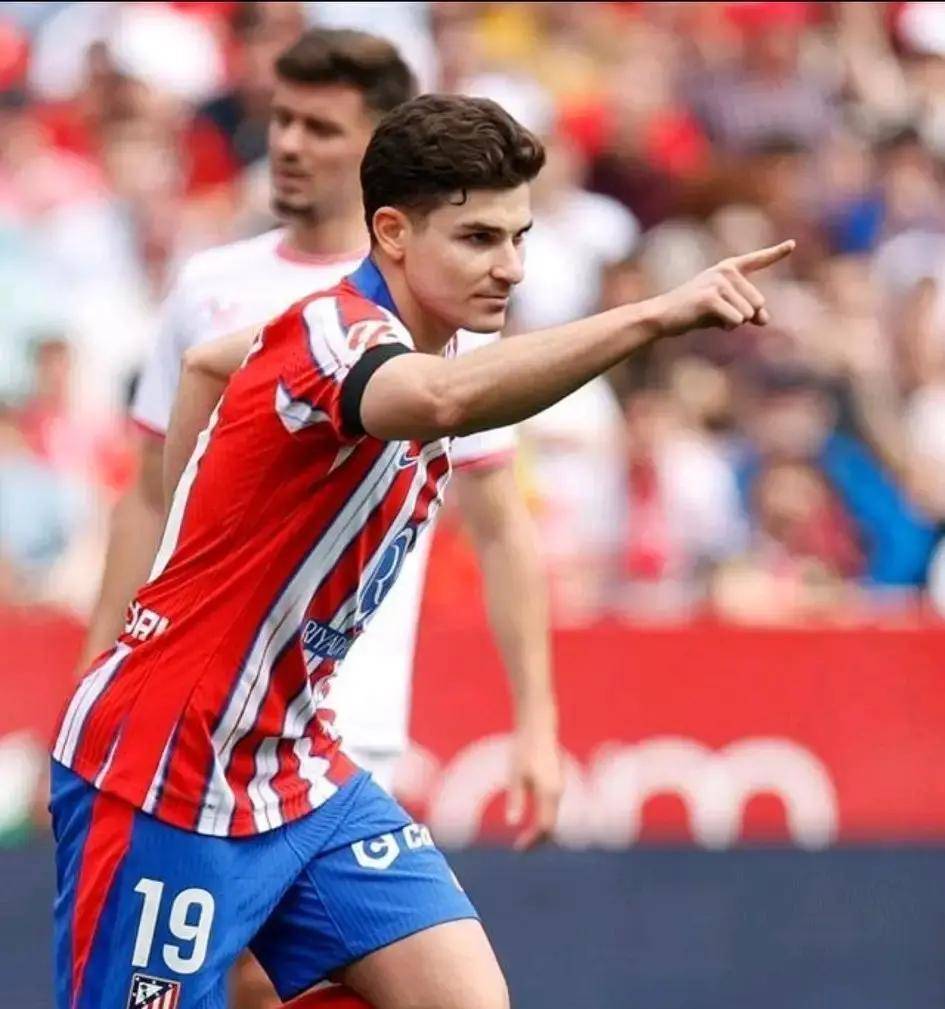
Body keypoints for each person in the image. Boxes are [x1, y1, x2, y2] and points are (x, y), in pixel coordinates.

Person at [51, 92, 793, 1009]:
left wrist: (205, 532)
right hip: (166, 759)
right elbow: (441, 402)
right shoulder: (339, 337)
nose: (510, 267)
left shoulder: (402, 347)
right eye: (478, 239)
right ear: (393, 233)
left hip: (294, 762)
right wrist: (653, 315)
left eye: (519, 237)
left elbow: (209, 363)